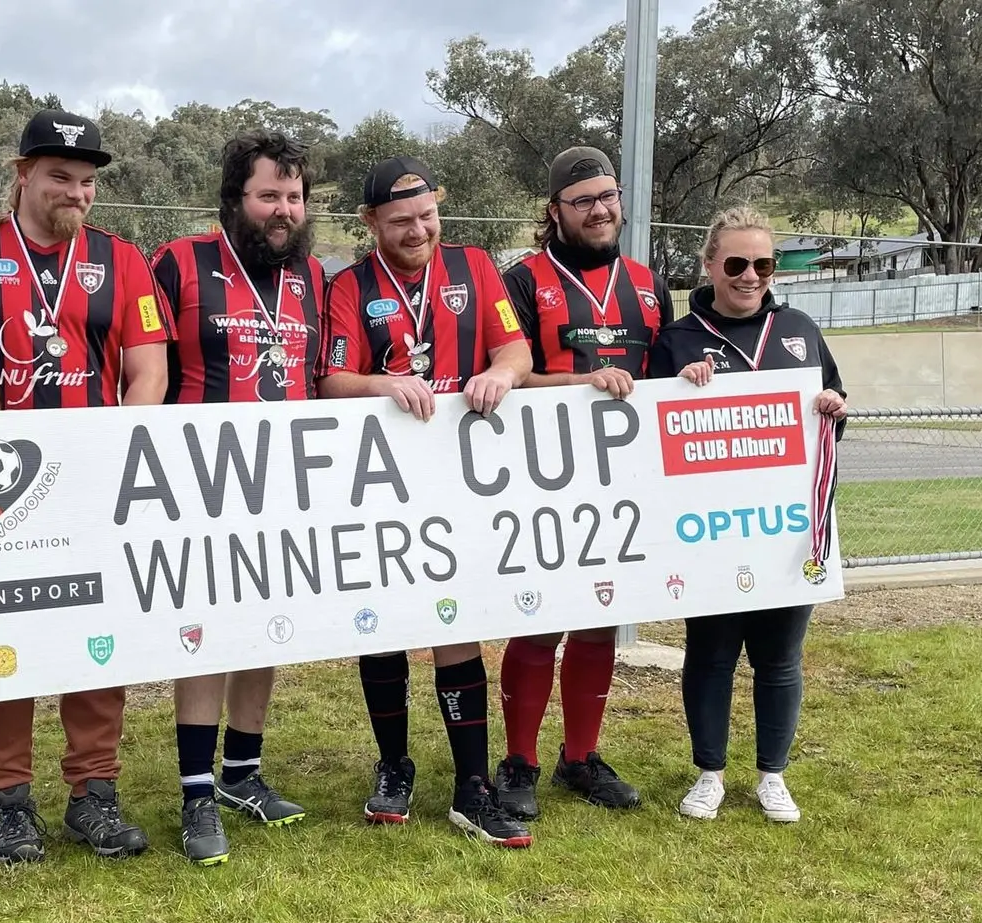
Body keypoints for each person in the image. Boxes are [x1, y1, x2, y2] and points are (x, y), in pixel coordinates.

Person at [0, 109, 171, 864]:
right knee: (5, 636)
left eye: (86, 182)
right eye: (59, 177)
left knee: (96, 637)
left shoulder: (120, 259)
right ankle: (10, 800)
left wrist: (118, 439)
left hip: (91, 479)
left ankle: (95, 794)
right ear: (22, 174)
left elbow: (149, 366)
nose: (76, 194)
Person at [317, 155, 535, 847]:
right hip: (378, 480)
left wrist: (500, 372)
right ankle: (393, 764)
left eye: (427, 215)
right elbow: (331, 379)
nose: (418, 229)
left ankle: (473, 784)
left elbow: (517, 351)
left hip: (457, 478)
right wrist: (382, 387)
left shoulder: (474, 267)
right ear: (371, 221)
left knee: (455, 619)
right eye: (401, 219)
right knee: (380, 623)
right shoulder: (349, 285)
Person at [149, 130, 324, 865]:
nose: (283, 210)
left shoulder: (312, 274)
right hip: (199, 485)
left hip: (284, 484)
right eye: (268, 196)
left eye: (293, 197)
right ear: (234, 199)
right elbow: (146, 368)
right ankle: (195, 791)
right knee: (207, 631)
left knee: (264, 626)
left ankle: (242, 775)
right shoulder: (177, 263)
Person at [648, 205, 847, 823]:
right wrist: (680, 389)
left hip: (787, 531)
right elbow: (651, 438)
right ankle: (709, 772)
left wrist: (836, 406)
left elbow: (835, 415)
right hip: (711, 534)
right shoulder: (678, 339)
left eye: (763, 264)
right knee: (710, 654)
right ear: (709, 265)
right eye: (736, 263)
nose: (751, 276)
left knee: (780, 659)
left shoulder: (800, 329)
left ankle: (772, 776)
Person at [493, 146, 674, 820]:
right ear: (554, 211)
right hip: (541, 477)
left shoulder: (648, 281)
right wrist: (582, 383)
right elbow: (505, 373)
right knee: (538, 620)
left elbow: (666, 375)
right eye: (582, 200)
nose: (599, 210)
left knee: (599, 621)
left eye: (607, 196)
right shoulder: (521, 279)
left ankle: (580, 756)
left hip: (621, 482)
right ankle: (519, 760)